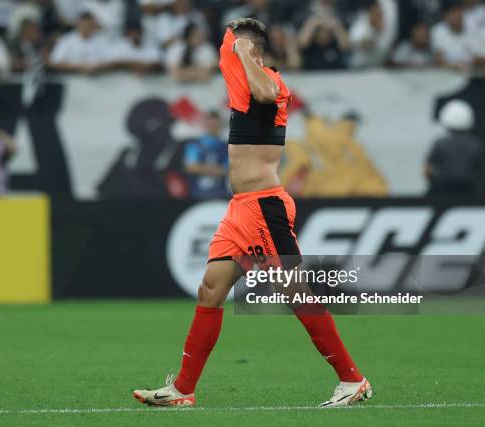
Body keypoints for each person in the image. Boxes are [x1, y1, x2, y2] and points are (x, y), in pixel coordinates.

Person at [133, 17, 371, 408]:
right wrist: (239, 52)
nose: (227, 55)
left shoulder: (270, 80)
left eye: (234, 48)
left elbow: (263, 91)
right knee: (210, 290)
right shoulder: (244, 86)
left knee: (296, 292)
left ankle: (352, 379)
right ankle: (183, 390)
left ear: (251, 49)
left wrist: (246, 53)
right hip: (240, 209)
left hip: (265, 207)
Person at [425, 100, 483, 196]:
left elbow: (428, 169)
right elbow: (478, 169)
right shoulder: (475, 144)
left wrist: (433, 181)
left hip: (442, 190)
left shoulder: (440, 143)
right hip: (468, 191)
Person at [183, 111, 229, 199]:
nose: (212, 127)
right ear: (204, 125)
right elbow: (190, 167)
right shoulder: (194, 144)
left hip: (220, 193)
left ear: (220, 125)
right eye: (209, 124)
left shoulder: (227, 147)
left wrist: (201, 168)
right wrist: (216, 170)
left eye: (214, 125)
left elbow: (228, 169)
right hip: (197, 193)